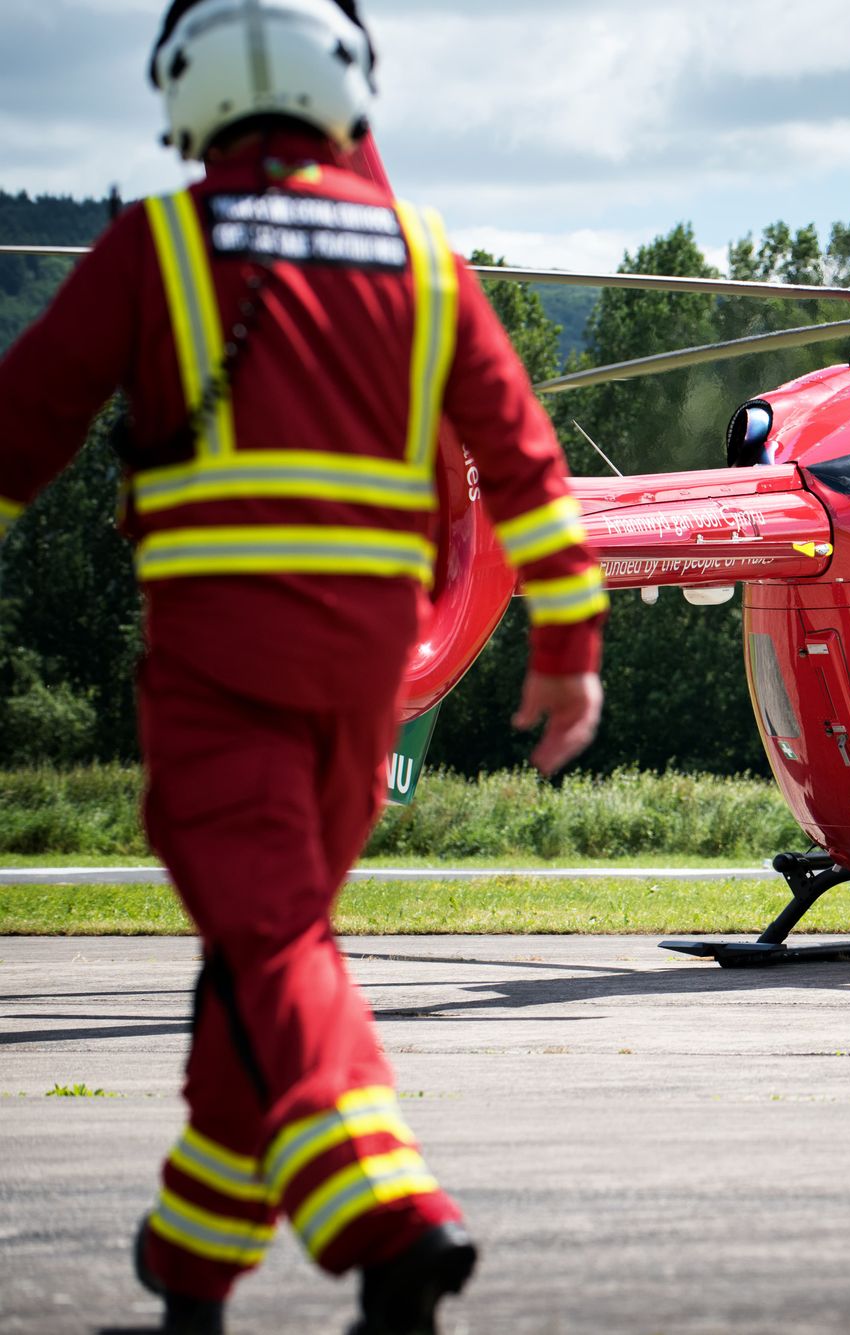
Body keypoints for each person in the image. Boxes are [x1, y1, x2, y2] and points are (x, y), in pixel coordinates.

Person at [0, 2, 606, 1330]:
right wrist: (567, 652)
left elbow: (19, 428)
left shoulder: (158, 245)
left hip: (220, 674)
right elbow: (528, 471)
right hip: (366, 680)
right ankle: (192, 1254)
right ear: (350, 88)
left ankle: (387, 1218)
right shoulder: (422, 258)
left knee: (268, 937)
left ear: (186, 89)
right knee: (271, 949)